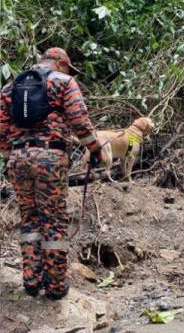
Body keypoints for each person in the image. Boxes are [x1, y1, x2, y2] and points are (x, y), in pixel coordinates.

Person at [0, 47, 102, 300]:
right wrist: (94, 148)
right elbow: (79, 120)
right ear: (60, 62)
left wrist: (8, 156)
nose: (69, 72)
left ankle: (32, 281)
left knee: (30, 219)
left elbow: (1, 127)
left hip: (17, 159)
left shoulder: (11, 87)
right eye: (69, 67)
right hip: (50, 158)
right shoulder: (64, 82)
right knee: (53, 221)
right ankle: (55, 287)